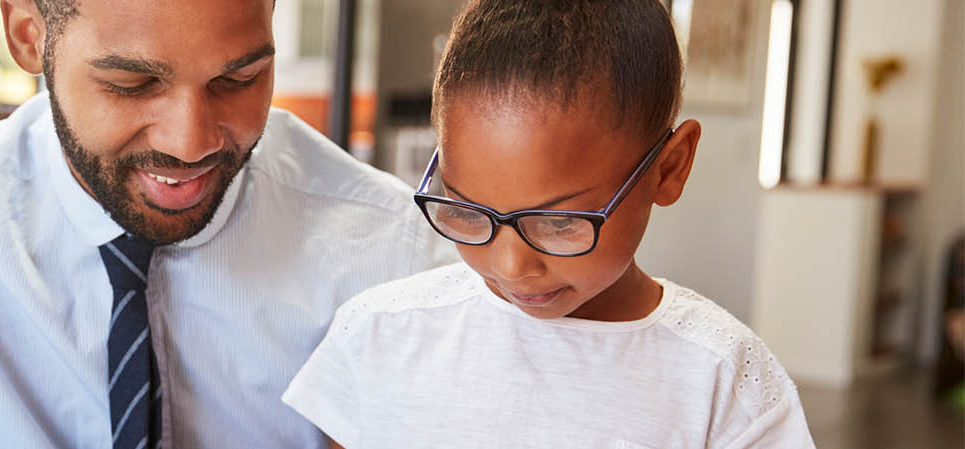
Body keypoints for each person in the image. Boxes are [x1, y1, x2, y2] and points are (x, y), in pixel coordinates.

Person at [0, 0, 452, 447]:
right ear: (29, 33)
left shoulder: (387, 246)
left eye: (239, 78)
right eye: (131, 83)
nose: (190, 141)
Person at [279, 0, 814, 447]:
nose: (511, 265)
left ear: (669, 169)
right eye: (468, 209)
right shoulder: (380, 335)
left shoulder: (725, 380)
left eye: (559, 223)